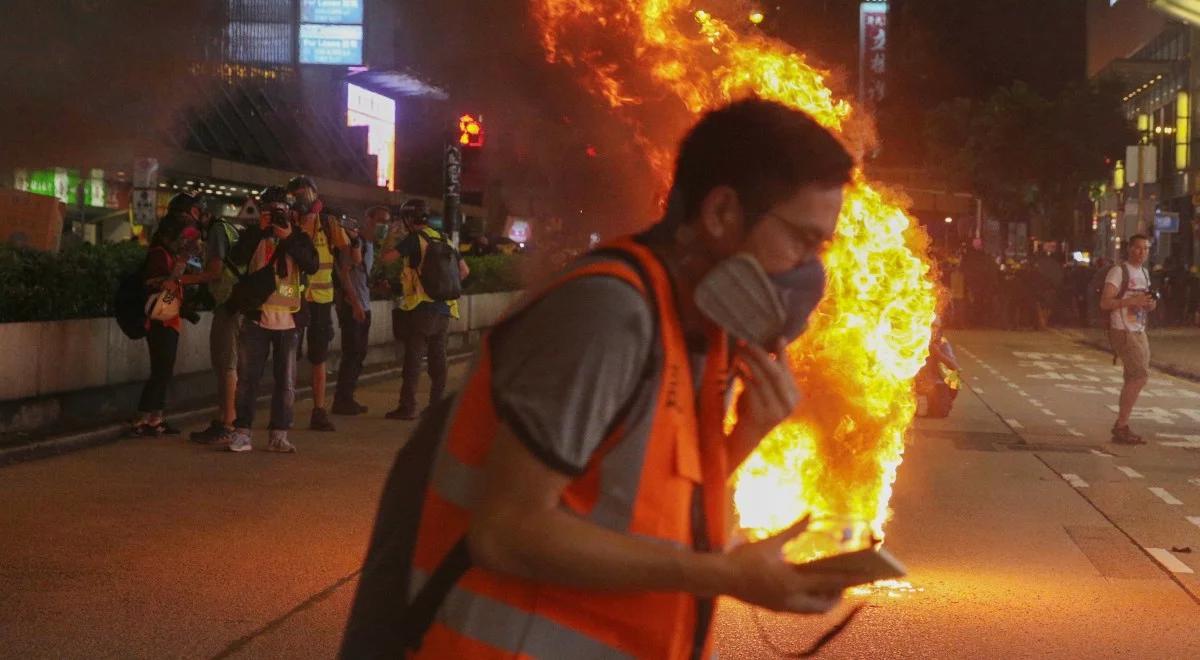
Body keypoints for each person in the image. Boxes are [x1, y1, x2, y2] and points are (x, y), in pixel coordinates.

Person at [342, 99, 857, 658]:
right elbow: (507, 531)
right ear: (721, 214)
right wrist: (724, 575)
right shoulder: (609, 315)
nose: (811, 271)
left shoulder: (694, 331)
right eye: (804, 241)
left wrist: (747, 432)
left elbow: (631, 502)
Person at [225, 186, 319, 453]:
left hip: (289, 320)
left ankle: (279, 433)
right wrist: (258, 230)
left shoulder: (299, 237)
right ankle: (242, 431)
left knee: (286, 381)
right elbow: (236, 259)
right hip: (257, 318)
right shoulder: (254, 236)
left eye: (281, 210)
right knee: (247, 379)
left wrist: (287, 236)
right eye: (271, 211)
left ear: (290, 212)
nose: (277, 215)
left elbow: (311, 264)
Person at [381, 199, 468, 420]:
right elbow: (464, 271)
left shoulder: (414, 239)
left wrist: (392, 235)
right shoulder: (445, 239)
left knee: (413, 360)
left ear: (409, 219)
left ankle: (407, 406)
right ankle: (436, 407)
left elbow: (386, 258)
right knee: (438, 358)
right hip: (445, 308)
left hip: (421, 308)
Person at [131, 212, 203, 436]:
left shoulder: (168, 254)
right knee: (160, 370)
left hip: (169, 319)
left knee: (164, 370)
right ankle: (143, 418)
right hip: (159, 321)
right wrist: (181, 265)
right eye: (181, 236)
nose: (183, 241)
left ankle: (155, 418)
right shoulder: (158, 255)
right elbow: (164, 283)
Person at [288, 175, 346, 432]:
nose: (303, 199)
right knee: (288, 355)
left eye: (306, 194)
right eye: (298, 195)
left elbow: (346, 246)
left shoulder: (327, 221)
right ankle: (284, 410)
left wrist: (332, 224)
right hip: (294, 298)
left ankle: (319, 410)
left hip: (321, 299)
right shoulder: (290, 221)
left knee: (318, 357)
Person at [190, 196, 246, 445]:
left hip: (228, 303)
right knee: (228, 362)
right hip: (237, 302)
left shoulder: (215, 231)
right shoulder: (228, 227)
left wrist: (180, 280)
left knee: (226, 363)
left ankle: (228, 423)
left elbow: (214, 271)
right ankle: (223, 418)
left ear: (199, 213)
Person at [1100, 234, 1157, 445]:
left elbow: (1147, 301)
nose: (1141, 252)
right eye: (1137, 248)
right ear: (1129, 249)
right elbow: (1105, 302)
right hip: (1122, 329)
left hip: (1139, 329)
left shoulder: (1144, 272)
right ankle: (1121, 425)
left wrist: (1149, 304)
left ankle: (1122, 424)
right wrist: (1132, 300)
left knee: (1133, 376)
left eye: (1146, 249)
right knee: (1139, 376)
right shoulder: (1118, 271)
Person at [331, 210, 374, 415]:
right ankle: (343, 399)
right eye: (379, 222)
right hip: (353, 307)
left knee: (359, 354)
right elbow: (345, 274)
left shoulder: (368, 244)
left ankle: (348, 398)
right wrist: (355, 304)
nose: (382, 226)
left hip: (363, 305)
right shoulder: (349, 244)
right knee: (352, 354)